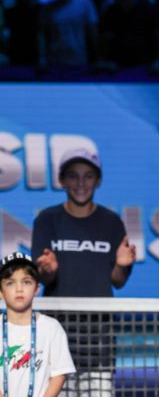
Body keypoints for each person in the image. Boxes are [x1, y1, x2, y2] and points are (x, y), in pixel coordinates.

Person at [31, 148, 136, 397]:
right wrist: (47, 270)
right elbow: (44, 279)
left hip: (99, 338)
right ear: (62, 180)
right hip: (56, 335)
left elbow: (117, 281)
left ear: (97, 180)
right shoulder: (47, 220)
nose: (81, 183)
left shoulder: (111, 222)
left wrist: (122, 264)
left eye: (88, 176)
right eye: (73, 176)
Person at [0, 251, 76, 397]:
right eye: (10, 283)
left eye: (26, 282)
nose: (19, 288)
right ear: (0, 291)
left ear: (36, 289)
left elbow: (59, 374)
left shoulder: (51, 327)